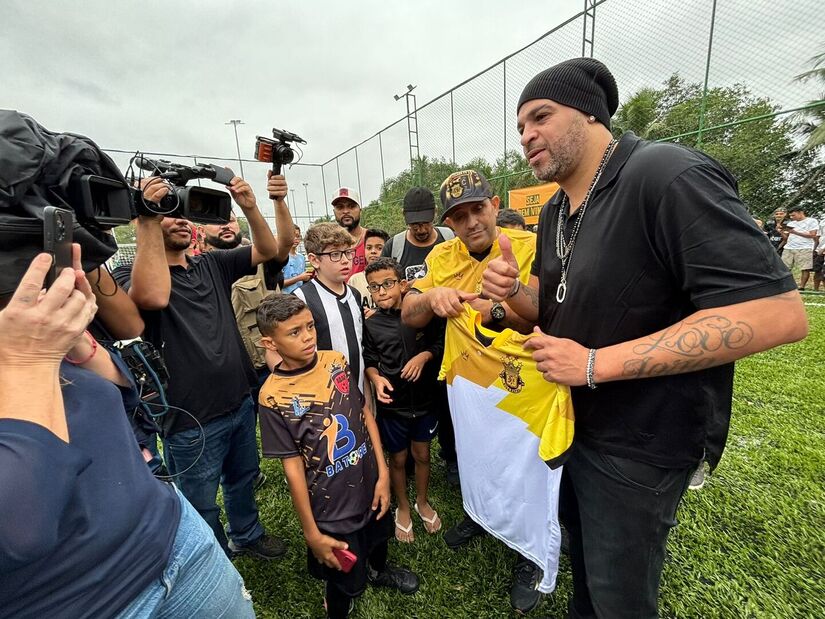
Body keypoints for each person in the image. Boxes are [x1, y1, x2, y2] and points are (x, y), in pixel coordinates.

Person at [482, 57, 808, 619]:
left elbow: (775, 313)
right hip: (575, 426)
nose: (527, 135)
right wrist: (513, 294)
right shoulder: (556, 209)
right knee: (588, 580)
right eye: (520, 127)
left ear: (590, 114)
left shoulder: (665, 174)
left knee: (620, 601)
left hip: (643, 442)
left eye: (541, 116)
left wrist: (594, 365)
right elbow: (555, 312)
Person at [0, 247, 254, 618]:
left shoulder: (26, 331)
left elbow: (121, 384)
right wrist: (31, 360)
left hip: (173, 541)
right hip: (82, 601)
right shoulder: (26, 353)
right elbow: (22, 526)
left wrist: (75, 337)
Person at [115, 172, 290, 559]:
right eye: (164, 211)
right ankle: (212, 557)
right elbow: (151, 296)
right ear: (141, 220)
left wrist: (249, 206)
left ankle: (247, 534)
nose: (178, 218)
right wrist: (146, 217)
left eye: (181, 211)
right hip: (189, 419)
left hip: (239, 401)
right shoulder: (130, 274)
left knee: (242, 479)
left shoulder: (210, 264)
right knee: (200, 499)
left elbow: (268, 248)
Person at [400, 169, 544, 613]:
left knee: (526, 468)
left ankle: (531, 556)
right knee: (476, 458)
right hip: (466, 381)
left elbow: (540, 315)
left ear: (495, 206)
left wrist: (498, 306)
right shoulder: (443, 255)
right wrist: (432, 296)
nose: (471, 223)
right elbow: (409, 313)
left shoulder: (529, 246)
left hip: (524, 384)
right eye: (458, 216)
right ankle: (483, 518)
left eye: (478, 209)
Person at [256, 294, 419, 619]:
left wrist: (384, 473)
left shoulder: (334, 361)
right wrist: (312, 534)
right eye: (294, 332)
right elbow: (292, 471)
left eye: (310, 327)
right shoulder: (272, 397)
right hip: (331, 507)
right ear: (269, 342)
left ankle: (379, 570)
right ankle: (338, 607)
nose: (308, 337)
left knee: (378, 537)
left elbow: (364, 415)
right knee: (342, 575)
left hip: (370, 484)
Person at [381, 186, 458, 484]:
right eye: (414, 223)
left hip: (451, 331)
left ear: (435, 216)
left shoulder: (450, 238)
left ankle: (451, 457)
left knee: (448, 400)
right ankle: (410, 460)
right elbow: (387, 282)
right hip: (412, 336)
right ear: (405, 219)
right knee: (412, 395)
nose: (420, 228)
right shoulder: (395, 245)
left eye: (425, 222)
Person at [363, 257, 443, 543]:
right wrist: (375, 377)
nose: (382, 291)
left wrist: (424, 356)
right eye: (374, 287)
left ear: (403, 284)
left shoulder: (422, 315)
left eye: (388, 284)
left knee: (422, 454)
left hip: (424, 402)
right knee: (397, 458)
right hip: (392, 406)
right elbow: (370, 359)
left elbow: (439, 343)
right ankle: (404, 506)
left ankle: (422, 501)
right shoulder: (370, 325)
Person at [293, 222, 366, 393]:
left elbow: (361, 346)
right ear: (314, 260)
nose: (345, 260)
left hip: (359, 391)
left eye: (348, 252)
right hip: (325, 398)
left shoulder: (355, 295)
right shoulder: (301, 299)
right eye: (335, 254)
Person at [348, 228, 389, 316]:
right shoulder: (355, 280)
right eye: (369, 248)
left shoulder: (393, 278)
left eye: (379, 248)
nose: (373, 251)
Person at [331, 187, 367, 280]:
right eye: (340, 207)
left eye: (351, 206)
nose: (346, 211)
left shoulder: (372, 239)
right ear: (334, 212)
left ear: (360, 210)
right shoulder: (328, 245)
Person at [780, 206, 819, 290]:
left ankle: (801, 287)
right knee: (784, 267)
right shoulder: (791, 223)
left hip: (805, 247)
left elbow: (812, 235)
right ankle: (785, 285)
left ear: (801, 213)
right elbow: (786, 238)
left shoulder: (811, 221)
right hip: (789, 247)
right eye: (790, 216)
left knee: (805, 268)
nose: (791, 217)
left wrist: (795, 232)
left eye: (793, 215)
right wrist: (780, 232)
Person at [282, 224, 311, 293]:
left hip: (300, 296)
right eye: (292, 236)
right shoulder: (281, 258)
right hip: (285, 298)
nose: (295, 238)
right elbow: (278, 284)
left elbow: (303, 277)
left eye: (297, 236)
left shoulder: (301, 257)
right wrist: (299, 278)